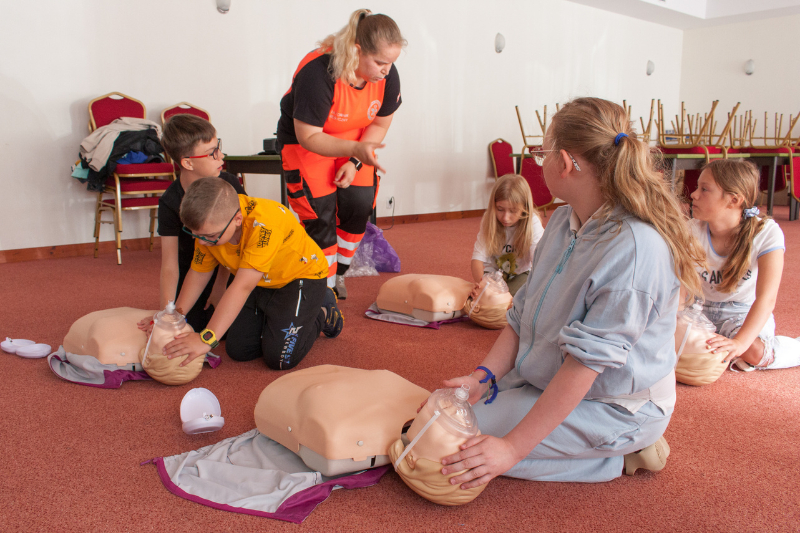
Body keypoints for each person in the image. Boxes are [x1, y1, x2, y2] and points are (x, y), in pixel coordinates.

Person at [436, 97, 706, 488]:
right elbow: (521, 314)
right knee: (435, 421)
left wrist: (511, 449)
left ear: (564, 163)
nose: (539, 162)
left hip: (616, 407)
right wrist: (483, 378)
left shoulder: (634, 249)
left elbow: (586, 367)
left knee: (451, 447)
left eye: (541, 153)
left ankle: (614, 457)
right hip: (549, 379)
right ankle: (583, 445)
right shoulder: (563, 220)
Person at [276, 8, 405, 299]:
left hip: (354, 140)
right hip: (307, 142)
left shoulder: (387, 75)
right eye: (380, 63)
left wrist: (356, 159)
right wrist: (355, 150)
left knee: (359, 207)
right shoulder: (318, 72)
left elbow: (381, 121)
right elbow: (308, 136)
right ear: (357, 50)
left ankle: (338, 274)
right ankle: (324, 287)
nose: (387, 71)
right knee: (318, 216)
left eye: (391, 63)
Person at [161, 178, 343, 371]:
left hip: (300, 278)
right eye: (196, 235)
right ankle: (279, 315)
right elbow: (197, 274)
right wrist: (172, 317)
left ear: (237, 220)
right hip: (260, 281)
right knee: (240, 351)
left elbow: (242, 287)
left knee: (280, 359)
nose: (203, 243)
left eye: (211, 236)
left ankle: (323, 311)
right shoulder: (210, 228)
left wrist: (206, 339)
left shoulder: (265, 225)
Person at [689, 159, 800, 371]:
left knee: (753, 353)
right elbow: (679, 290)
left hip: (741, 312)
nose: (694, 194)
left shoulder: (767, 233)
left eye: (704, 189)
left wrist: (740, 343)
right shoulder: (690, 230)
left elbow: (767, 299)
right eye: (697, 187)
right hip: (699, 310)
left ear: (734, 199)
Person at [147, 114, 246, 332]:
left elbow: (237, 243)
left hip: (230, 268)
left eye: (217, 147)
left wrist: (221, 286)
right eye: (212, 153)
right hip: (196, 273)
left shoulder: (229, 184)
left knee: (236, 328)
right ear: (187, 162)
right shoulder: (170, 201)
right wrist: (166, 313)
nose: (221, 156)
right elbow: (170, 265)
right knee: (188, 326)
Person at [471, 174, 544, 296]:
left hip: (522, 274)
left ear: (524, 208)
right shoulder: (489, 219)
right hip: (493, 273)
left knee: (510, 301)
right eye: (500, 209)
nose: (505, 217)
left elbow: (539, 260)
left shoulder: (532, 222)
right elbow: (477, 259)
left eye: (513, 211)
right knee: (484, 299)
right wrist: (481, 285)